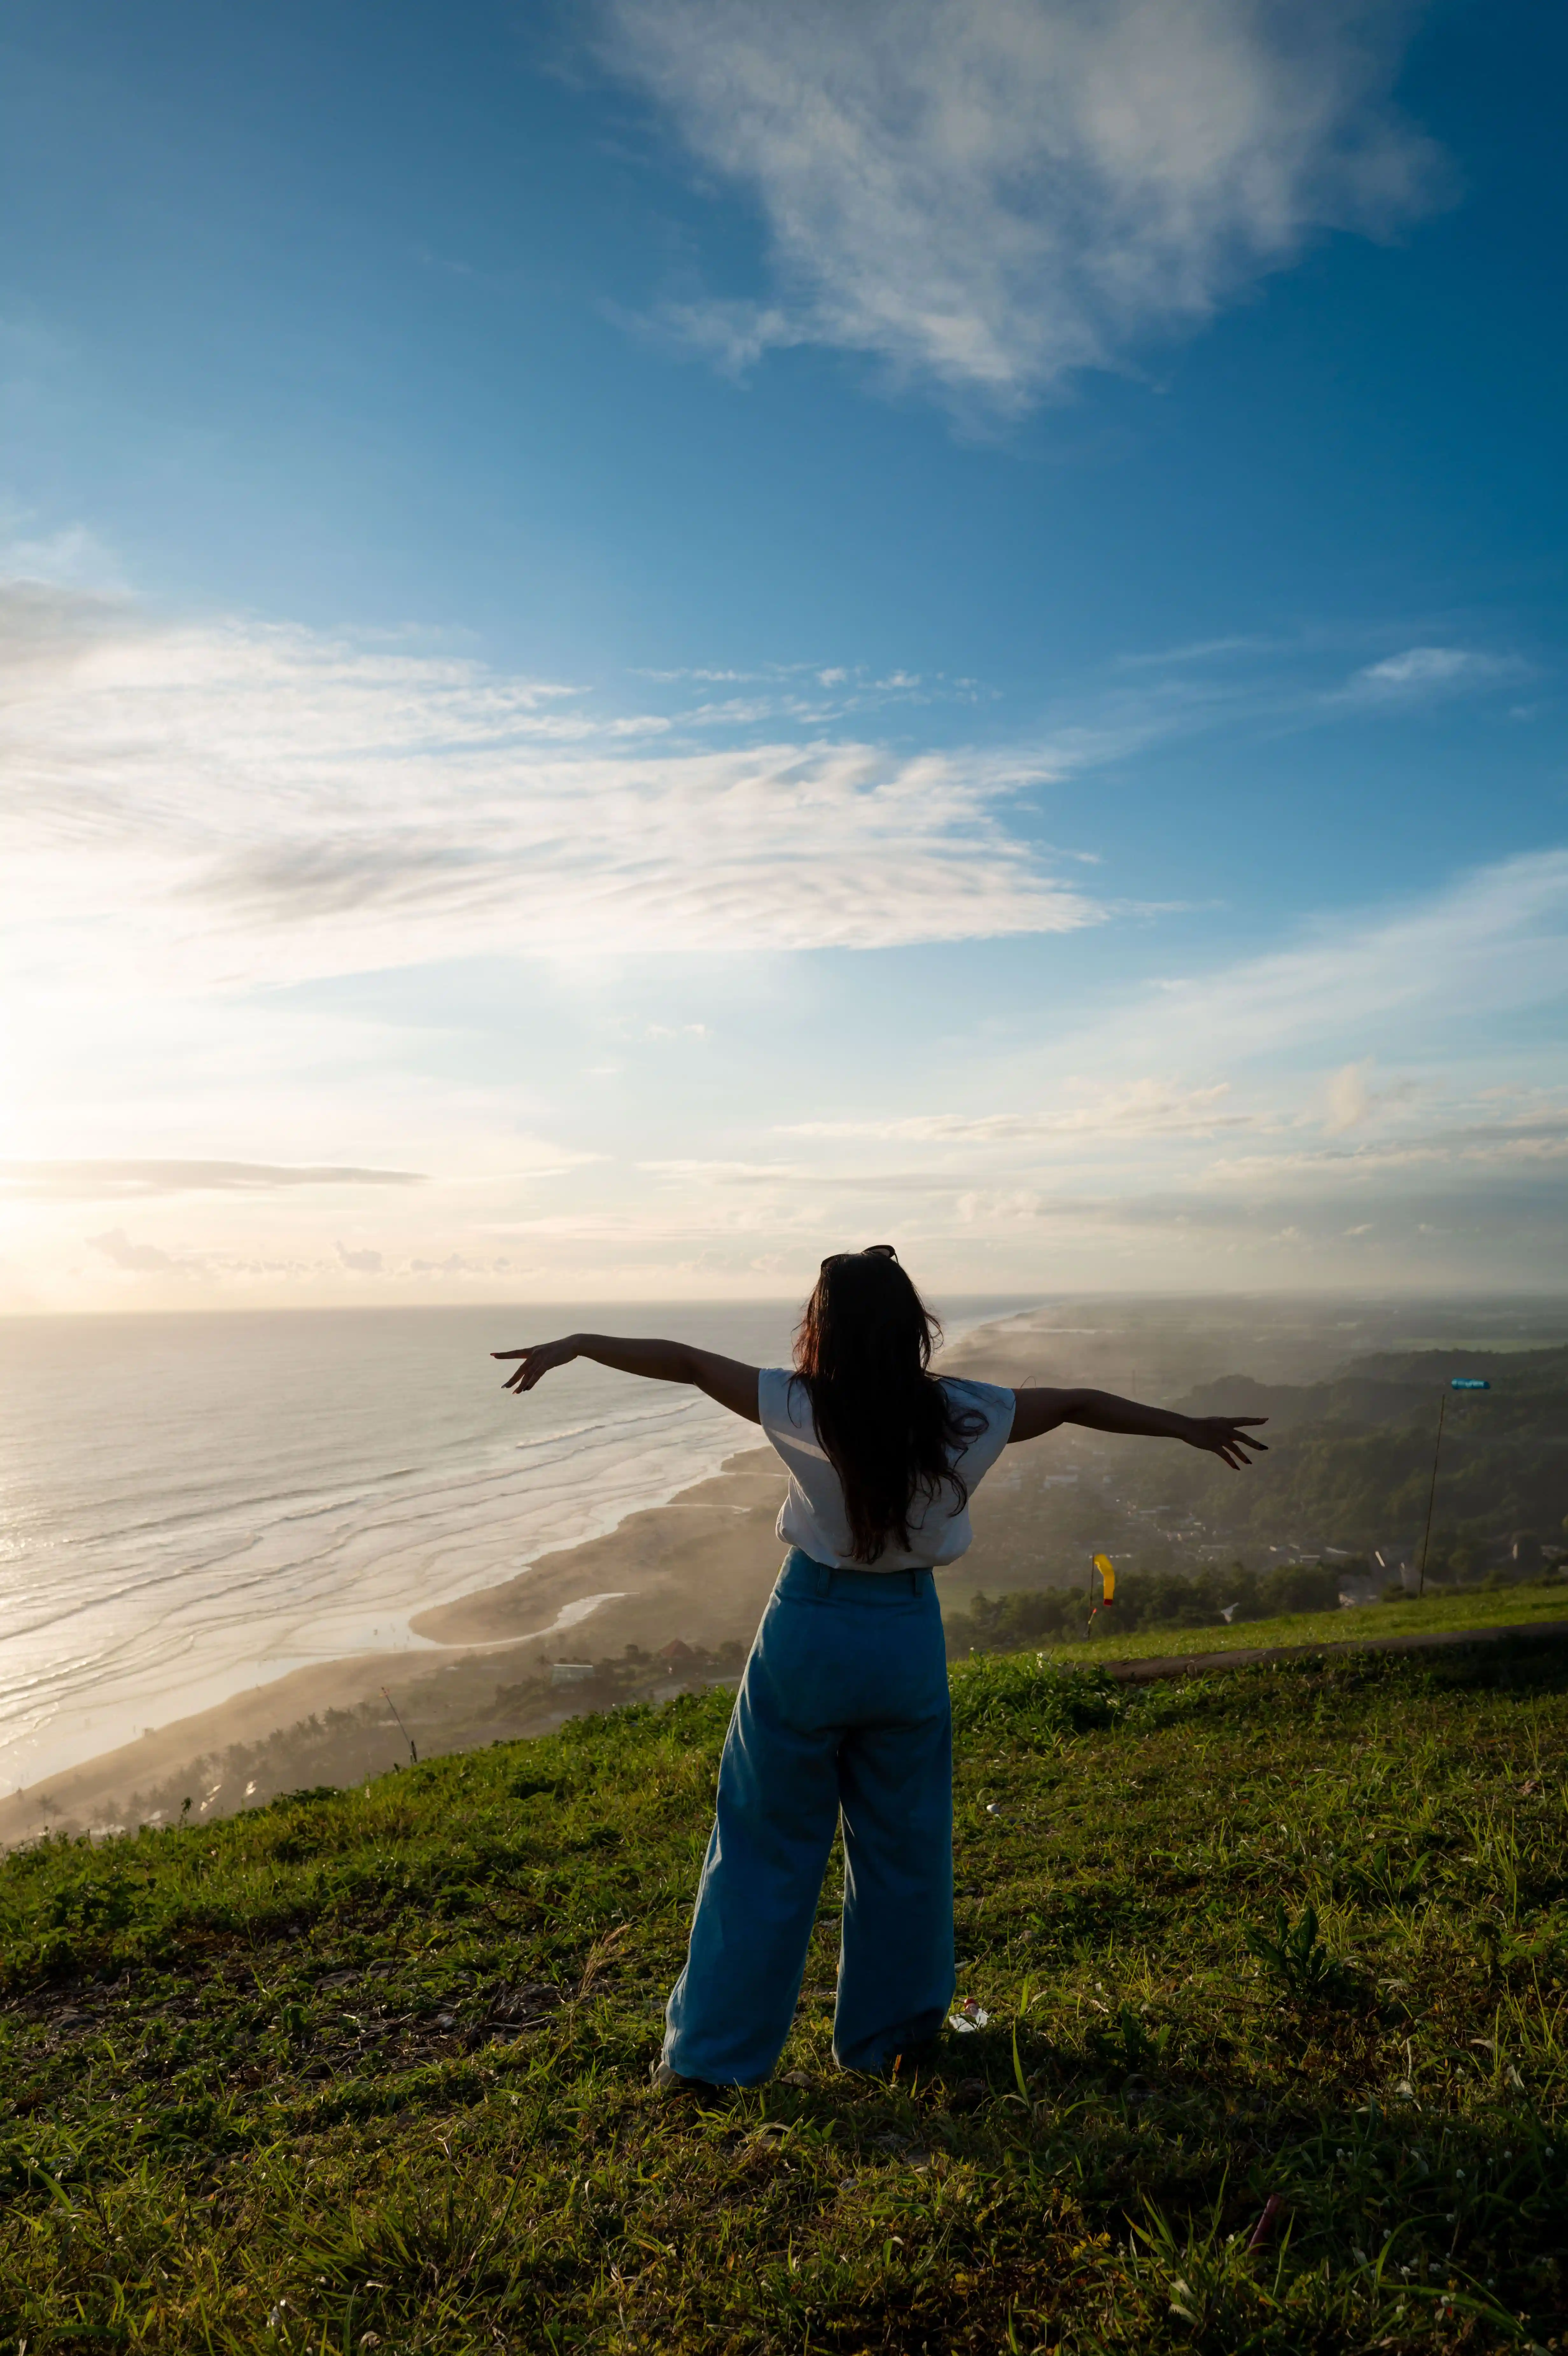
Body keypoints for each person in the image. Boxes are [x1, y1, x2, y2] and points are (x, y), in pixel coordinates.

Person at [493, 1245, 1265, 2092]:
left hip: (809, 1628)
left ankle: (712, 2064)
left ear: (822, 1328)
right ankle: (894, 2042)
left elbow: (685, 1362)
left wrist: (579, 1344)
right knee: (907, 1846)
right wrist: (1186, 1427)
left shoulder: (799, 1402)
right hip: (905, 1637)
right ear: (911, 1327)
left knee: (761, 1845)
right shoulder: (966, 1412)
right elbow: (1078, 1401)